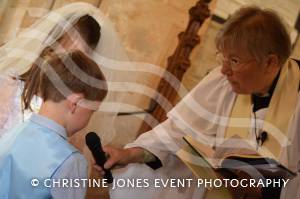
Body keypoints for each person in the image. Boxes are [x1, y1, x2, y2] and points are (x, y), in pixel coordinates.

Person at [95, 6, 300, 199]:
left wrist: (268, 189)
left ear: (270, 62)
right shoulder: (222, 83)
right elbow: (172, 138)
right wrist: (128, 154)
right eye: (223, 58)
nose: (224, 70)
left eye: (235, 61)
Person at [0, 2, 129, 139]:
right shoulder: (11, 86)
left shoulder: (74, 109)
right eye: (64, 55)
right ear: (49, 48)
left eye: (77, 61)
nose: (68, 66)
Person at [0, 50, 108, 198]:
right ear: (75, 104)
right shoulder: (70, 161)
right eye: (92, 111)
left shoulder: (13, 132)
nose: (90, 118)